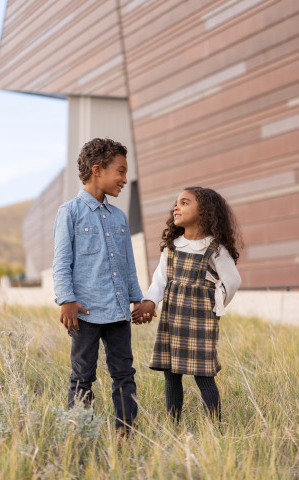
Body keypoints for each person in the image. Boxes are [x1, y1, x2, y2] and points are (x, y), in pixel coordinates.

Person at [53, 138, 143, 436]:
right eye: (120, 171)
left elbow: (128, 265)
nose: (124, 179)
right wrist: (66, 300)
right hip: (85, 312)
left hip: (118, 312)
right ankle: (78, 434)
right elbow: (62, 262)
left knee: (124, 374)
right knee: (82, 376)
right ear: (97, 170)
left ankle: (126, 434)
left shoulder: (119, 217)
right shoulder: (71, 212)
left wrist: (137, 299)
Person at [132, 186, 242, 424]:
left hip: (201, 320)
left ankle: (215, 426)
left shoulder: (215, 249)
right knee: (171, 373)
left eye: (184, 202)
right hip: (172, 317)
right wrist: (150, 302)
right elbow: (160, 279)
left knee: (203, 375)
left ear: (205, 211)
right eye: (176, 203)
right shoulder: (173, 246)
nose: (176, 207)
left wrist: (217, 306)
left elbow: (233, 281)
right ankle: (174, 424)